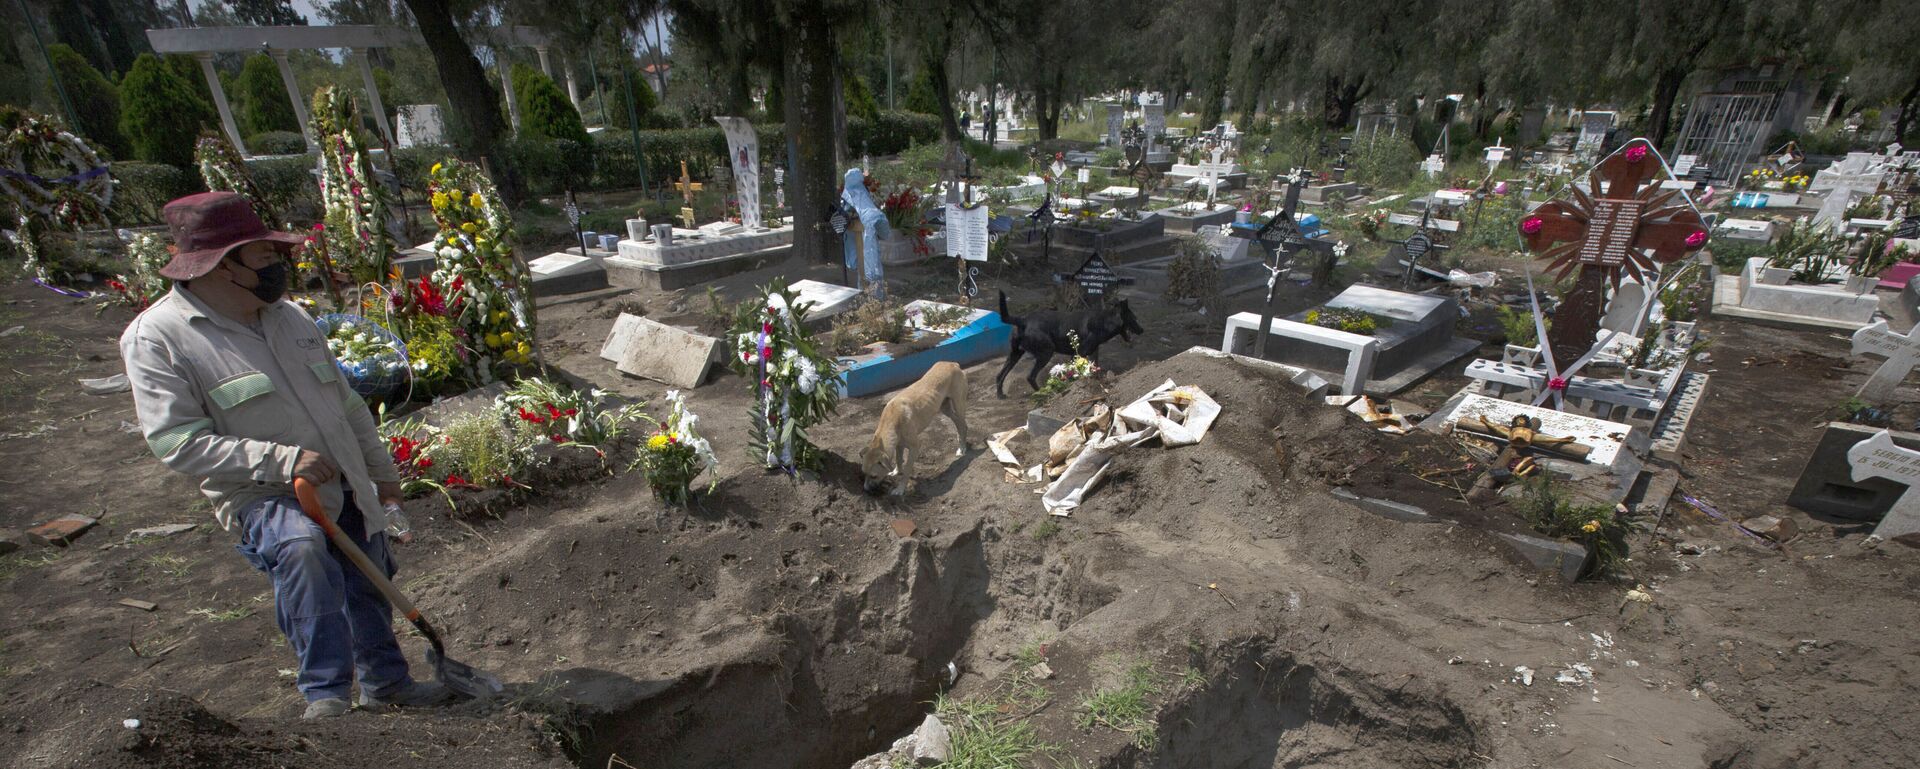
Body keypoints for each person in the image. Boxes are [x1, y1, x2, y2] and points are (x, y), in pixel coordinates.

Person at [120, 192, 454, 719]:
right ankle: (326, 697)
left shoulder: (291, 318)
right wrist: (283, 460)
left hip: (342, 477)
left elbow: (348, 405)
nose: (279, 264)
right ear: (222, 265)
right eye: (265, 254)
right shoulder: (158, 339)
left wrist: (383, 476)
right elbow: (175, 441)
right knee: (302, 553)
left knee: (369, 570)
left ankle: (387, 683)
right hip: (264, 492)